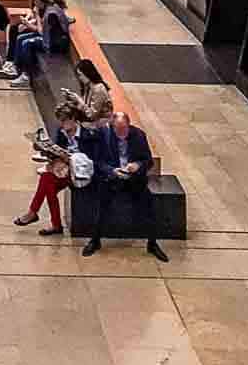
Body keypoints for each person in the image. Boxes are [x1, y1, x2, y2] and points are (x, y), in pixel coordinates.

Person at [81, 110, 168, 262]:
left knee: (149, 207)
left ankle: (152, 243)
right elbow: (98, 161)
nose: (122, 132)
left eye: (124, 129)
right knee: (101, 206)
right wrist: (112, 170)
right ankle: (95, 240)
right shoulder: (105, 136)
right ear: (112, 127)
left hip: (134, 179)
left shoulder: (139, 135)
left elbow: (148, 161)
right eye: (118, 129)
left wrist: (138, 165)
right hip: (112, 179)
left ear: (129, 125)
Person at [14, 113, 83, 231]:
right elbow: (56, 153)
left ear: (73, 119)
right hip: (64, 170)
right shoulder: (61, 132)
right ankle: (51, 222)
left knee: (46, 181)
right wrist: (44, 150)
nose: (62, 125)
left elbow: (87, 158)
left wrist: (69, 159)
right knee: (47, 180)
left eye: (64, 121)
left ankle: (36, 214)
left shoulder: (85, 135)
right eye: (61, 121)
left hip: (80, 171)